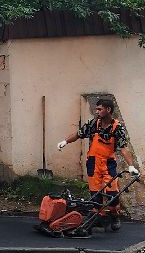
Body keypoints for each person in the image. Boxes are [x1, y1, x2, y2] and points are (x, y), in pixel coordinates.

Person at [57, 97, 138, 230]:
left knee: (112, 193)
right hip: (93, 162)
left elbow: (124, 148)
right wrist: (65, 141)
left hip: (108, 163)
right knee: (95, 193)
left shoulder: (117, 128)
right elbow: (78, 134)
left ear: (108, 110)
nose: (97, 111)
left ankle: (114, 216)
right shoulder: (93, 123)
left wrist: (131, 166)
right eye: (96, 109)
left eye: (100, 109)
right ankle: (97, 216)